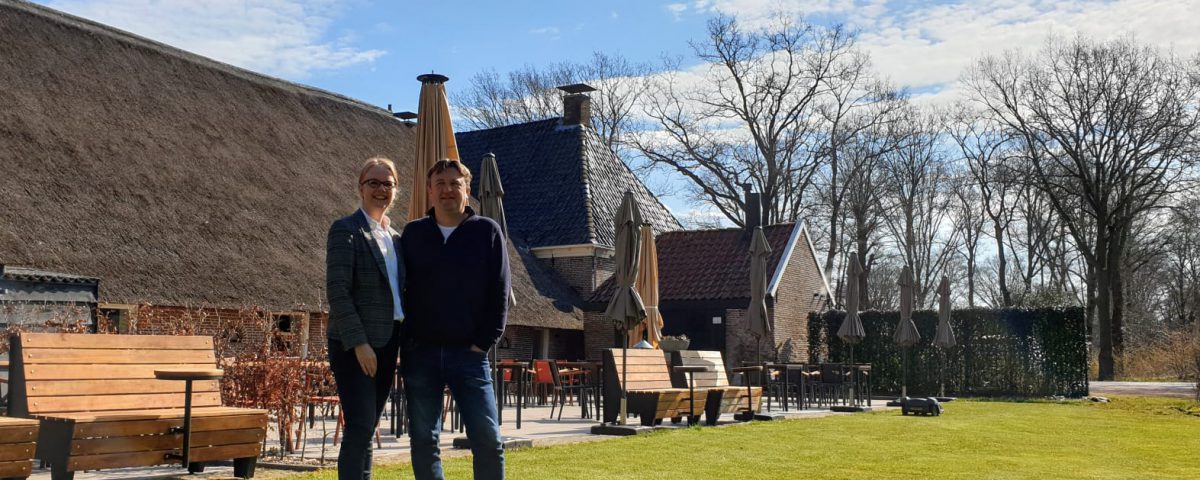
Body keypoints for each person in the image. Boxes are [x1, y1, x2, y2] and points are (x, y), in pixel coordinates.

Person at [402, 159, 509, 480]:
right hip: (421, 354)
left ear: (467, 190)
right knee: (423, 439)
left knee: (488, 439)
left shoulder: (487, 232)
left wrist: (483, 343)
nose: (448, 190)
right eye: (441, 184)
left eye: (455, 183)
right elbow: (399, 289)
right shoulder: (414, 234)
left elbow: (500, 291)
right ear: (429, 191)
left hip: (470, 355)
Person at [325, 157, 405, 480]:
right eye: (373, 182)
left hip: (389, 343)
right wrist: (359, 343)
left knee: (369, 423)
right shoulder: (346, 230)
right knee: (359, 423)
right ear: (361, 187)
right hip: (354, 345)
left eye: (388, 184)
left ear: (395, 191)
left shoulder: (396, 239)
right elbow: (338, 292)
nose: (380, 189)